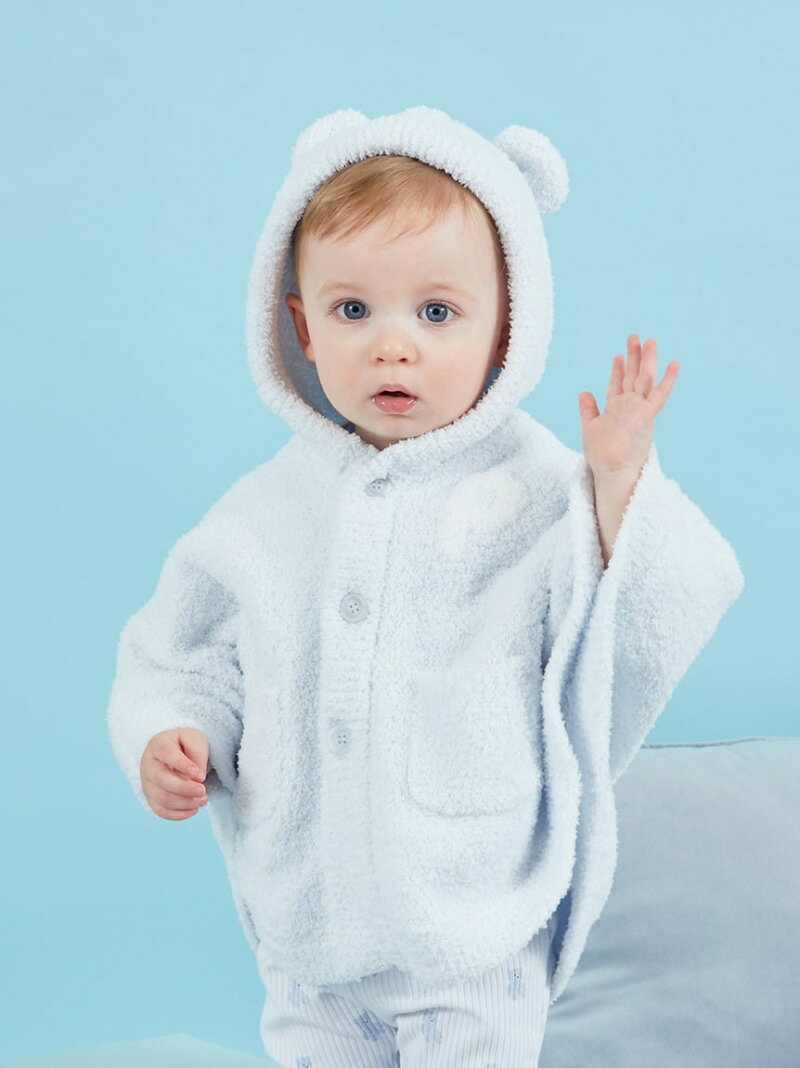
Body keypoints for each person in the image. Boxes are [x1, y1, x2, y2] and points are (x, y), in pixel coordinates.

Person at [106, 105, 745, 1066]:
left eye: (436, 313)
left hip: (470, 920)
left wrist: (618, 489)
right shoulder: (265, 512)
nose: (392, 345)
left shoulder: (536, 488)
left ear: (505, 329)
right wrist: (173, 730)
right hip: (313, 927)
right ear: (300, 326)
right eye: (352, 310)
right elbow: (185, 655)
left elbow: (635, 611)